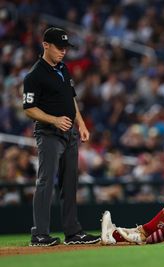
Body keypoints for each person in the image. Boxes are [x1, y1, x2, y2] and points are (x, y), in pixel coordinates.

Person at [23, 27, 100, 246]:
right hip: (49, 134)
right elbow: (28, 108)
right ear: (45, 45)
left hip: (70, 134)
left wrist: (81, 123)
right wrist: (54, 119)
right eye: (59, 47)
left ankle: (72, 232)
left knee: (69, 182)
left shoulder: (63, 69)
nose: (63, 51)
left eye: (65, 47)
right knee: (46, 181)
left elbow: (71, 99)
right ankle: (39, 234)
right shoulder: (34, 75)